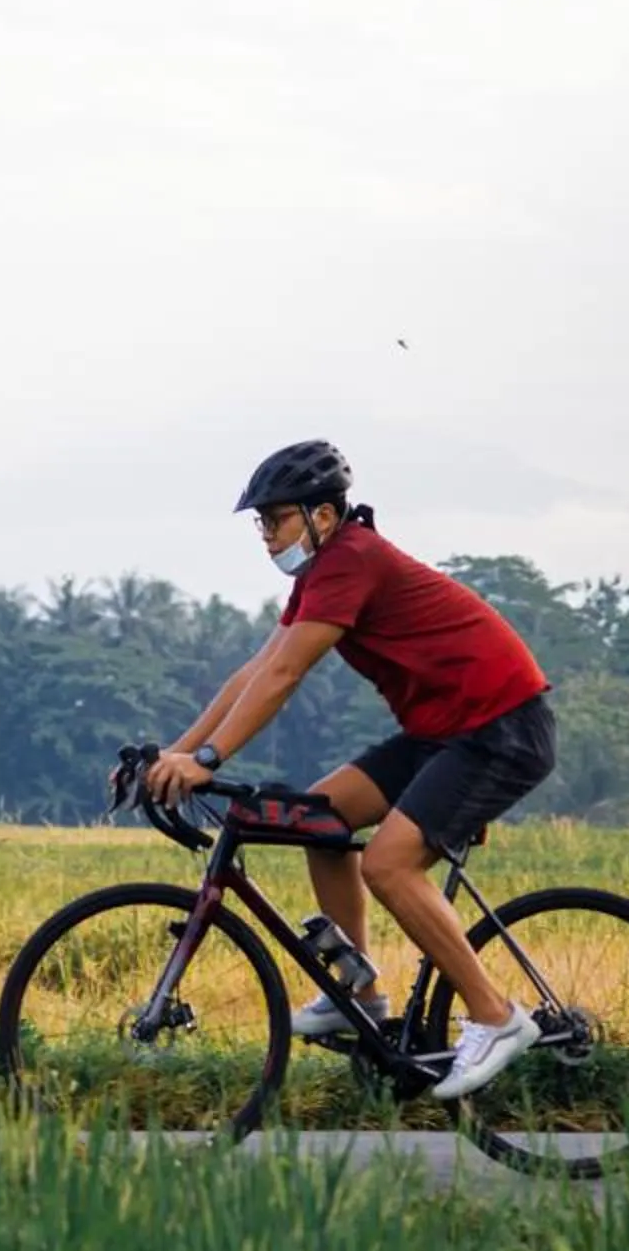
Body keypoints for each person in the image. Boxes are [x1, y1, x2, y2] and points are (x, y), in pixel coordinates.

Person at [146, 439, 558, 1101]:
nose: (266, 534)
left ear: (324, 517)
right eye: (261, 522)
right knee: (319, 818)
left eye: (276, 518)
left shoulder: (352, 560)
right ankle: (358, 995)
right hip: (440, 733)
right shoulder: (322, 573)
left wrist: (208, 760)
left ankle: (495, 1016)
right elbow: (255, 669)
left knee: (388, 864)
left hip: (499, 727)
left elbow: (285, 674)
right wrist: (179, 752)